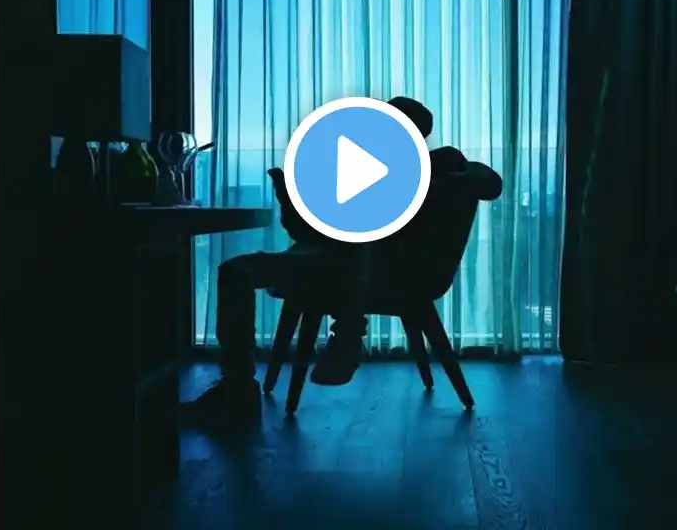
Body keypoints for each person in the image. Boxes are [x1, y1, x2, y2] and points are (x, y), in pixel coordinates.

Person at [182, 97, 488, 425]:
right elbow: (305, 234)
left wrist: (429, 182)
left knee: (351, 245)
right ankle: (240, 387)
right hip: (323, 263)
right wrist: (290, 200)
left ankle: (347, 334)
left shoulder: (436, 164)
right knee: (236, 271)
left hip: (383, 273)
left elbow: (489, 182)